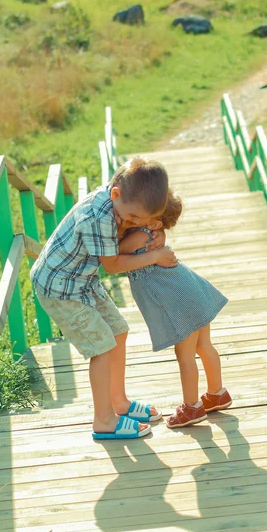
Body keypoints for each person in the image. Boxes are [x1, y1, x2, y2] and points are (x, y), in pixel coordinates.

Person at [31, 157, 178, 440]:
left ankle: (118, 402)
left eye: (140, 220)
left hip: (82, 279)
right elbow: (111, 265)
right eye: (132, 218)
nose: (131, 223)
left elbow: (121, 241)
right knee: (101, 346)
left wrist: (149, 233)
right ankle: (104, 420)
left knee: (118, 331)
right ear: (115, 194)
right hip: (60, 287)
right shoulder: (98, 217)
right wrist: (155, 256)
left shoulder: (120, 201)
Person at [119, 190, 231, 428]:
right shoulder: (152, 232)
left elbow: (114, 253)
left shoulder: (140, 235)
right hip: (192, 291)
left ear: (155, 222)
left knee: (185, 355)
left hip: (182, 301)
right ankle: (217, 393)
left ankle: (192, 407)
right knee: (204, 346)